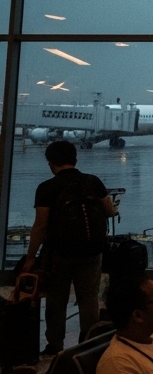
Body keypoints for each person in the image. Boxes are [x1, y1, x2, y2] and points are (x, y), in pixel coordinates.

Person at [20, 140, 117, 355]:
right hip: (92, 251)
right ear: (75, 159)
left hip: (60, 253)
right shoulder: (93, 182)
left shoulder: (46, 188)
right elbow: (110, 211)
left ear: (50, 163)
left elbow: (40, 225)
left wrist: (30, 256)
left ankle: (55, 345)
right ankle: (89, 343)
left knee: (57, 299)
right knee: (89, 297)